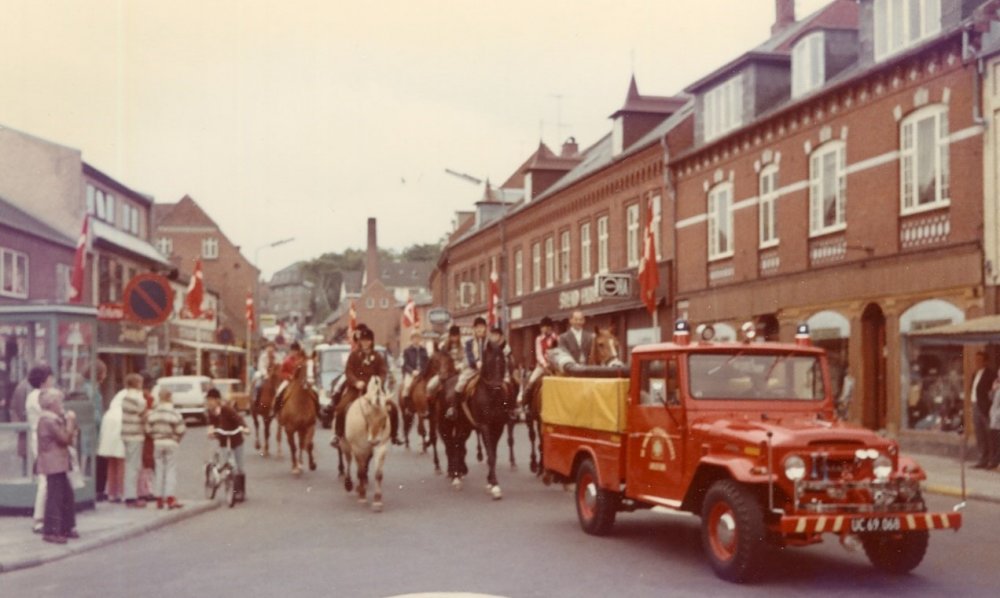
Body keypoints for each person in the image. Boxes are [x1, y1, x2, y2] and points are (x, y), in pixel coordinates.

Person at [332, 325, 400, 446]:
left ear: (371, 341)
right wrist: (356, 382)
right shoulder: (354, 355)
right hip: (356, 389)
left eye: (367, 341)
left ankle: (394, 435)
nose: (365, 343)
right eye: (363, 340)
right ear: (360, 341)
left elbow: (383, 371)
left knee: (393, 407)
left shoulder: (378, 356)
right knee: (341, 408)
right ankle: (338, 435)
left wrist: (379, 381)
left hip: (374, 389)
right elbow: (349, 372)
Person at [35, 388, 79, 544]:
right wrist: (70, 422)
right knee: (55, 497)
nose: (62, 405)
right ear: (51, 404)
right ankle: (51, 531)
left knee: (66, 494)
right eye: (59, 402)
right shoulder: (48, 420)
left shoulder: (52, 419)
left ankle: (65, 527)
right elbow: (64, 439)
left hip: (58, 463)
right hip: (53, 463)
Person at [145, 388, 186, 509]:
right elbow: (181, 429)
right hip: (171, 442)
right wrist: (176, 438)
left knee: (159, 469)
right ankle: (170, 498)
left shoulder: (153, 413)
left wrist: (154, 436)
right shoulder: (174, 413)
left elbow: (147, 428)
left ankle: (159, 498)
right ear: (170, 397)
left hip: (157, 442)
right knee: (170, 470)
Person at [26, 365, 55, 533]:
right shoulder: (41, 396)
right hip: (44, 441)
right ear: (44, 380)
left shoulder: (32, 396)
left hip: (38, 439)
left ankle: (43, 517)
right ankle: (39, 518)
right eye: (50, 377)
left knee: (45, 479)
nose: (53, 380)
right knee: (45, 480)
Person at [206, 388, 248, 499]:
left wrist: (245, 428)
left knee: (239, 467)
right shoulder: (210, 412)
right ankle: (230, 488)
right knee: (227, 465)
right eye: (208, 400)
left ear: (217, 400)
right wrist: (210, 431)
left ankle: (241, 492)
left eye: (211, 400)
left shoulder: (227, 410)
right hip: (224, 441)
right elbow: (211, 424)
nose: (209, 402)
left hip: (236, 440)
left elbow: (239, 419)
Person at [120, 373, 148, 507]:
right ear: (137, 384)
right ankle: (131, 497)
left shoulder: (125, 397)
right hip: (136, 434)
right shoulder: (138, 397)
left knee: (129, 464)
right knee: (134, 466)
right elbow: (144, 415)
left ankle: (129, 494)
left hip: (126, 433)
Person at [97, 381, 126, 503]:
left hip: (108, 443)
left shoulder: (109, 413)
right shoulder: (123, 413)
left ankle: (111, 493)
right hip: (120, 441)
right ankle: (121, 492)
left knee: (111, 465)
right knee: (122, 465)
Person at [970, 352, 997, 469]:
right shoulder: (975, 374)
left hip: (985, 408)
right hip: (975, 405)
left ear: (985, 361)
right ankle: (982, 459)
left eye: (980, 360)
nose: (977, 362)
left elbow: (992, 392)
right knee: (979, 434)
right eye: (976, 360)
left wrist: (989, 406)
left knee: (989, 434)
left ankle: (992, 460)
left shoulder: (990, 374)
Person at [426, 325, 463, 396]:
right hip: (446, 372)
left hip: (459, 371)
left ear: (459, 336)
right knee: (430, 386)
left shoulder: (463, 347)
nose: (454, 338)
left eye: (456, 336)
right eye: (453, 336)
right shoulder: (444, 348)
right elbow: (441, 360)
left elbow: (464, 360)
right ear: (450, 336)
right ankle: (430, 402)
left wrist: (460, 366)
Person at [273, 341, 307, 416]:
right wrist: (289, 376)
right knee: (279, 391)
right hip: (289, 381)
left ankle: (318, 411)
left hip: (301, 381)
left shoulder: (302, 360)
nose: (294, 352)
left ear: (298, 351)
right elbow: (281, 372)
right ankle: (275, 409)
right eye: (293, 351)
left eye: (296, 351)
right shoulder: (287, 361)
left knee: (314, 391)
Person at [456, 317, 488, 394]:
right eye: (477, 327)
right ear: (474, 329)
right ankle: (457, 401)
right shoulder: (469, 343)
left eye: (482, 327)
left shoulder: (489, 342)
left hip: (487, 369)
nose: (479, 329)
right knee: (460, 385)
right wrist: (476, 362)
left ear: (485, 328)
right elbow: (469, 355)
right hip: (473, 369)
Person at [527, 316, 559, 393]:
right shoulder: (539, 339)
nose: (542, 329)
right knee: (531, 381)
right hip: (542, 367)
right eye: (542, 328)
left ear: (549, 328)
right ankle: (526, 398)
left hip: (554, 366)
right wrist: (545, 365)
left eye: (543, 327)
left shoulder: (557, 338)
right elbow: (539, 354)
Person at [401, 331, 429, 406]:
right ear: (411, 339)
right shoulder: (407, 351)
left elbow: (427, 362)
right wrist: (412, 371)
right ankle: (407, 405)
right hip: (411, 373)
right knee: (407, 386)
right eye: (414, 338)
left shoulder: (424, 350)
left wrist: (423, 371)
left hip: (422, 373)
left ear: (420, 339)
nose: (416, 339)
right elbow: (405, 364)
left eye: (417, 337)